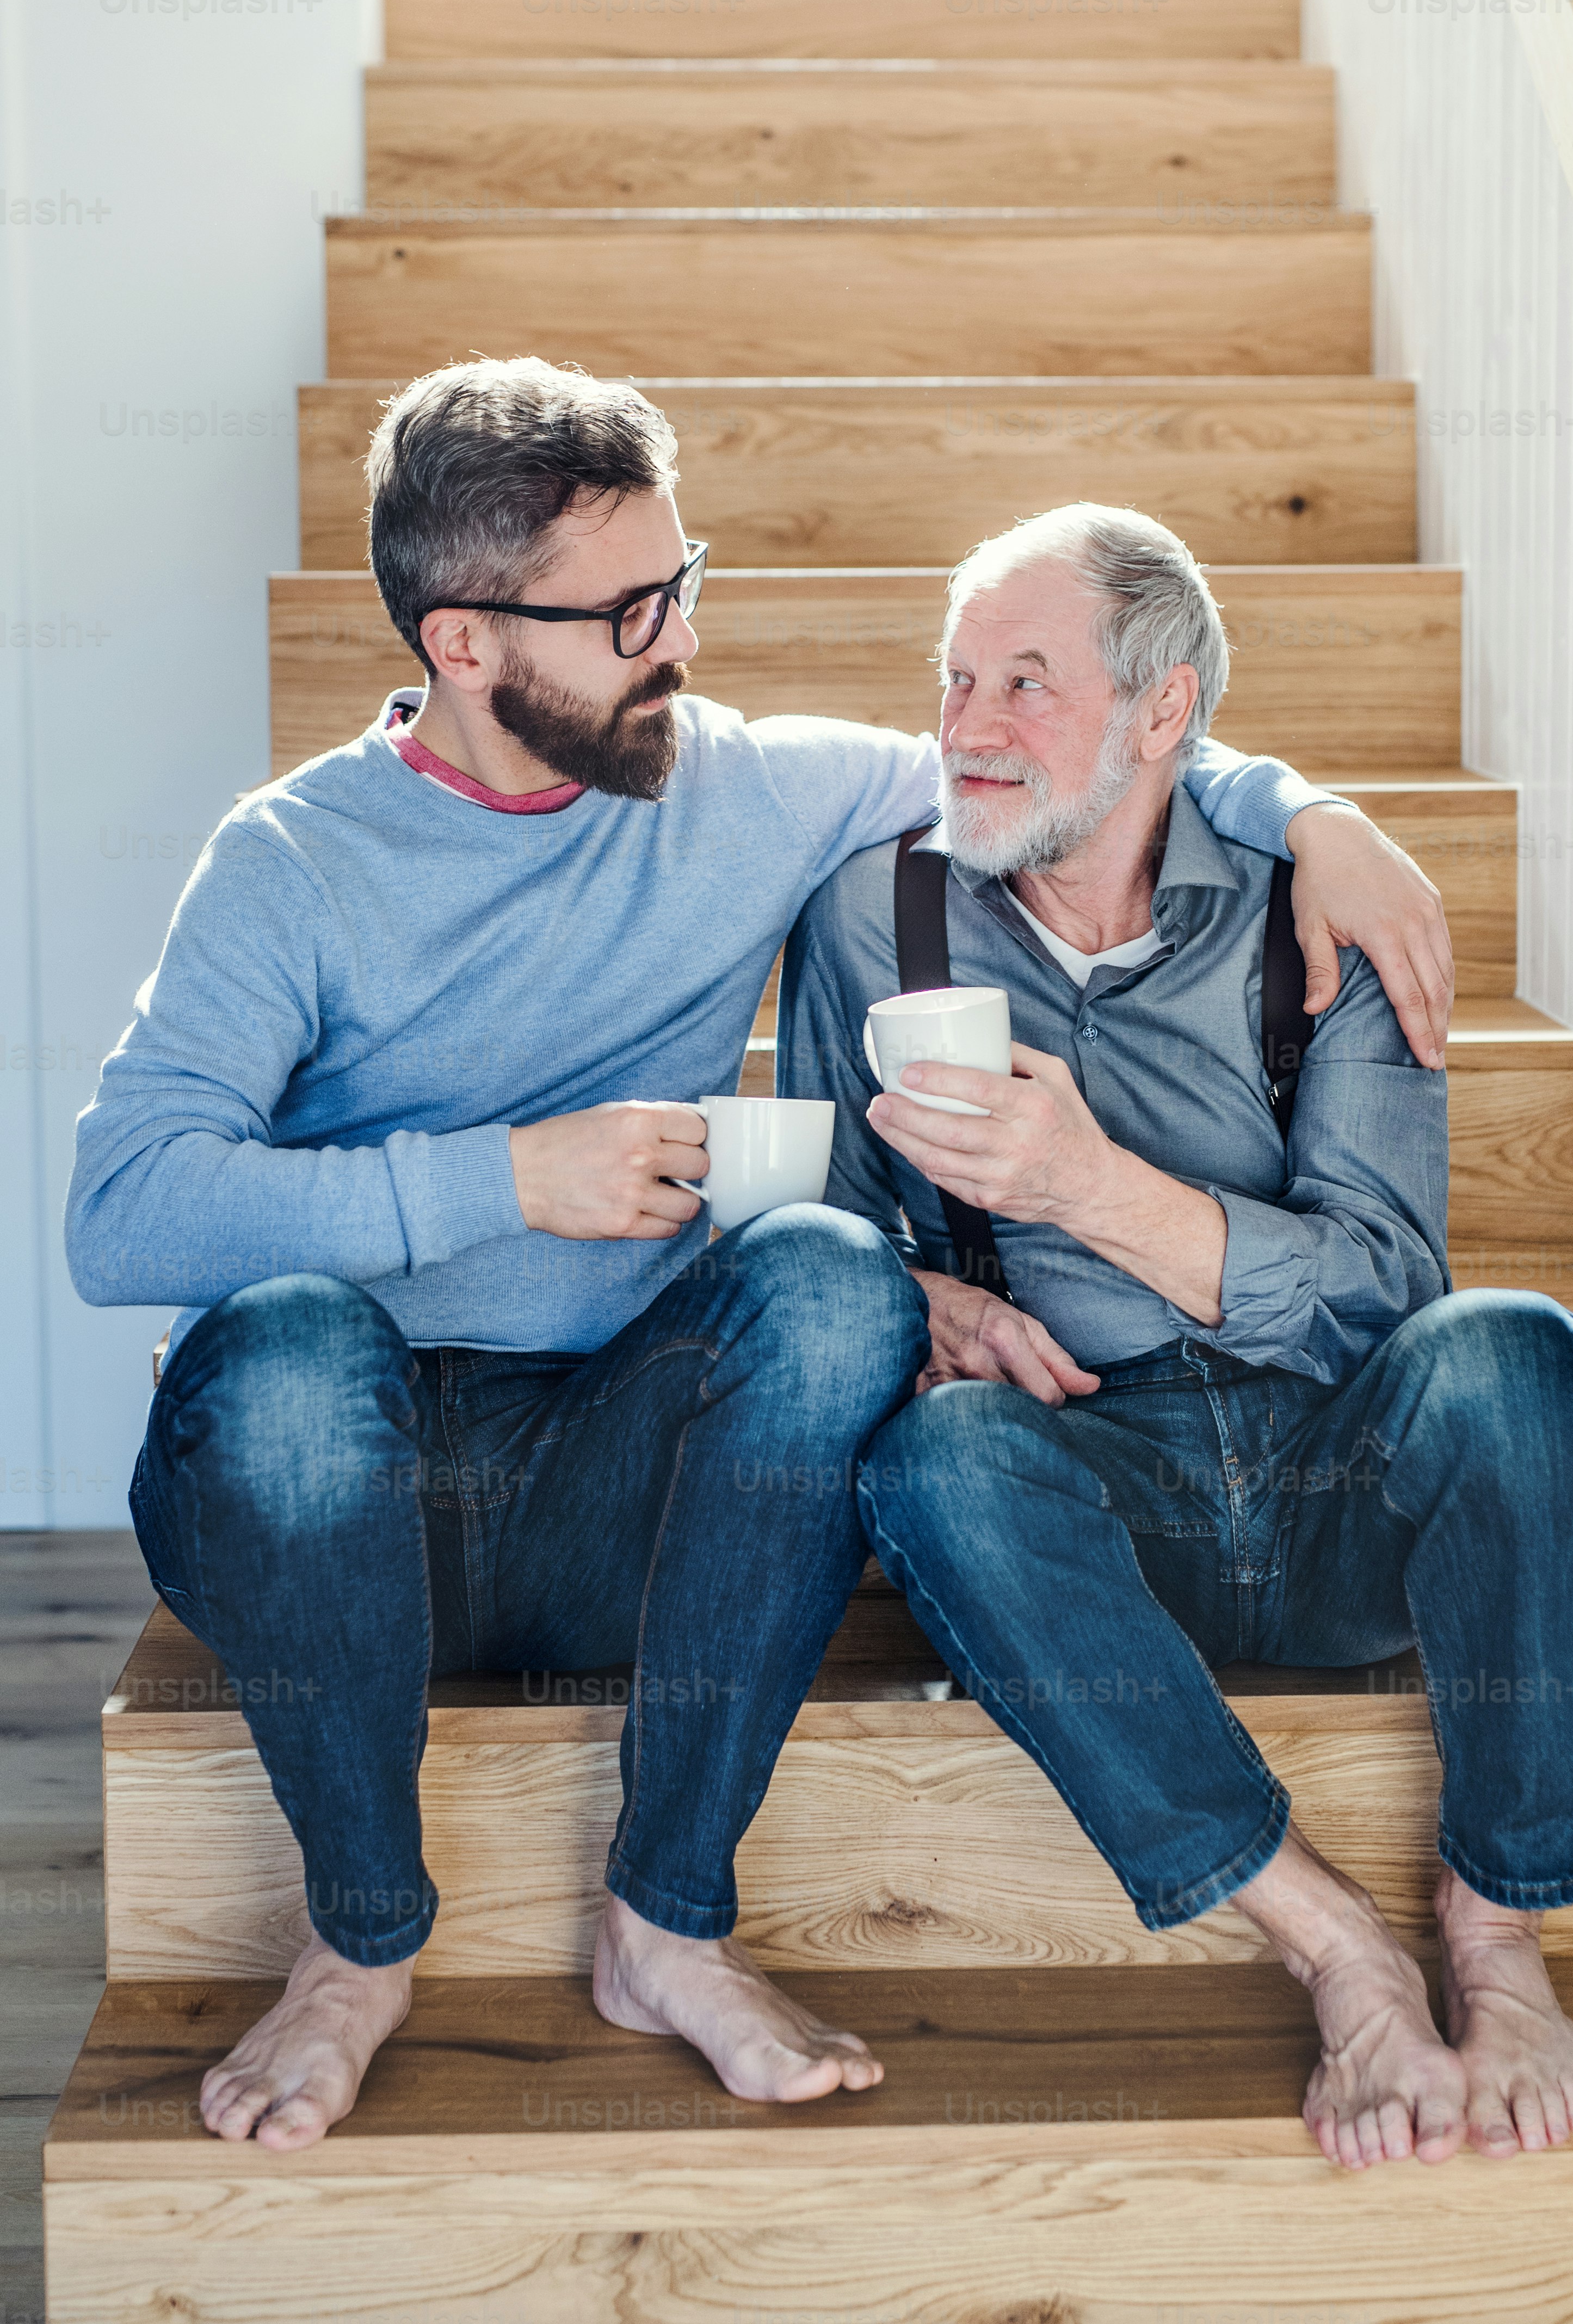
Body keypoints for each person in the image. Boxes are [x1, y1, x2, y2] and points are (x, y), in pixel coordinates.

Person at [66, 363, 1453, 2152]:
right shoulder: (291, 862)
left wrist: (1307, 808)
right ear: (469, 644)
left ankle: (667, 1919)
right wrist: (497, 1179)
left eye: (685, 581)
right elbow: (124, 1207)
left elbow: (1067, 750)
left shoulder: (746, 791)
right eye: (632, 613)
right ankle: (357, 1942)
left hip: (606, 1498)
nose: (685, 645)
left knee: (824, 1272)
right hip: (325, 1506)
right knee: (286, 1348)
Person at [779, 501, 1573, 2175]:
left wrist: (1091, 1186)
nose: (967, 727)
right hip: (1095, 1498)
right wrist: (922, 1296)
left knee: (1517, 1353)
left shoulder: (1324, 916)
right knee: (935, 1457)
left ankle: (1497, 1927)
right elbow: (819, 1230)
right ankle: (1339, 1948)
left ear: (1165, 714)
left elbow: (1391, 1290)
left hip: (1334, 1477)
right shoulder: (874, 921)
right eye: (956, 678)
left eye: (1028, 680)